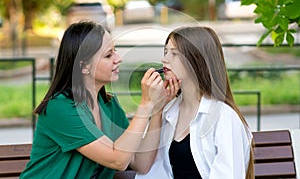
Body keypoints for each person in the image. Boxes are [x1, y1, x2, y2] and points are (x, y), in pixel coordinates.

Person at [20, 21, 180, 179]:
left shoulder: (109, 105)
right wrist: (145, 104)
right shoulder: (60, 107)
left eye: (115, 51)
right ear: (84, 66)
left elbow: (141, 163)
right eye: (108, 55)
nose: (118, 59)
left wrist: (157, 109)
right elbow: (118, 160)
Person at [136, 26, 254, 179]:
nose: (164, 59)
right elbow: (147, 168)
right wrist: (156, 108)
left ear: (196, 60)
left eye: (174, 54)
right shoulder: (169, 111)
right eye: (165, 52)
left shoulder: (224, 117)